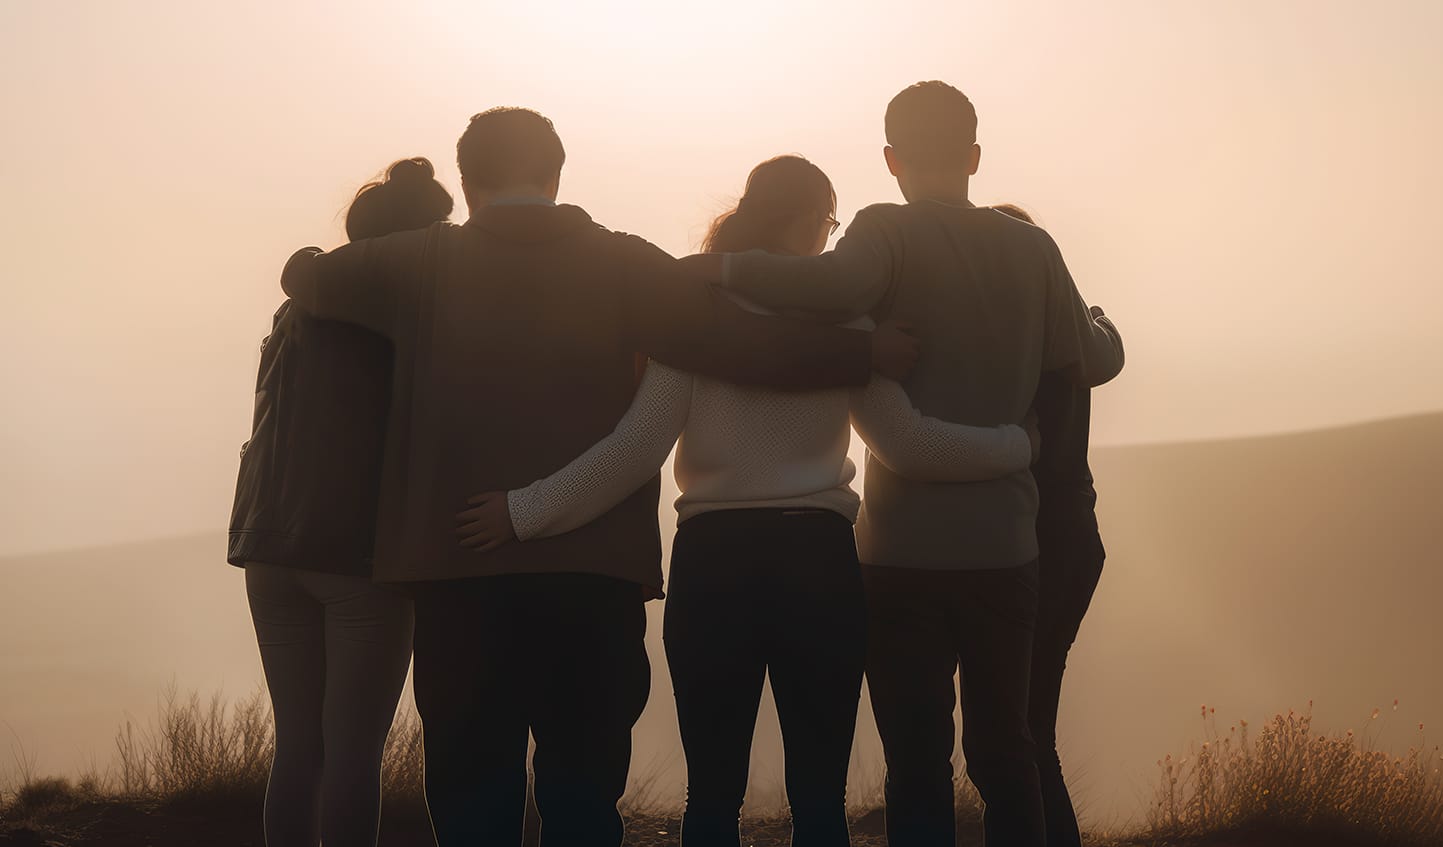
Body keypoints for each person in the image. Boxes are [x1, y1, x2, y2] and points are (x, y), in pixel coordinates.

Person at [278, 109, 917, 847]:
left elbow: (305, 277)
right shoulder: (623, 262)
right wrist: (859, 355)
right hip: (594, 576)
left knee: (473, 795)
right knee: (583, 800)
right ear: (555, 174)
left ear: (467, 180)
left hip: (459, 570)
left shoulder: (417, 260)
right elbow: (735, 342)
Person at [455, 154, 1039, 847]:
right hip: (819, 564)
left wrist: (523, 511)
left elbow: (633, 451)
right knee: (819, 797)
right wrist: (1020, 443)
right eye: (828, 223)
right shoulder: (851, 330)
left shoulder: (694, 325)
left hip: (715, 567)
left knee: (712, 797)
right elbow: (911, 445)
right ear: (806, 221)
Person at [682, 82, 1125, 847]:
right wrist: (1105, 327)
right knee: (1006, 754)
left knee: (917, 762)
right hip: (1005, 548)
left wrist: (719, 271)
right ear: (976, 155)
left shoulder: (884, 232)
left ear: (890, 159)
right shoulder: (1034, 250)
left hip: (901, 556)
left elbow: (830, 285)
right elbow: (1088, 359)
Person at [228, 157, 454, 847]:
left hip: (269, 547)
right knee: (354, 750)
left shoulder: (294, 310)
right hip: (358, 554)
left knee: (300, 747)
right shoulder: (402, 314)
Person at [991, 203, 1108, 847]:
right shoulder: (1072, 338)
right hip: (1074, 535)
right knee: (1031, 723)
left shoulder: (1007, 344)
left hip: (1030, 541)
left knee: (1019, 730)